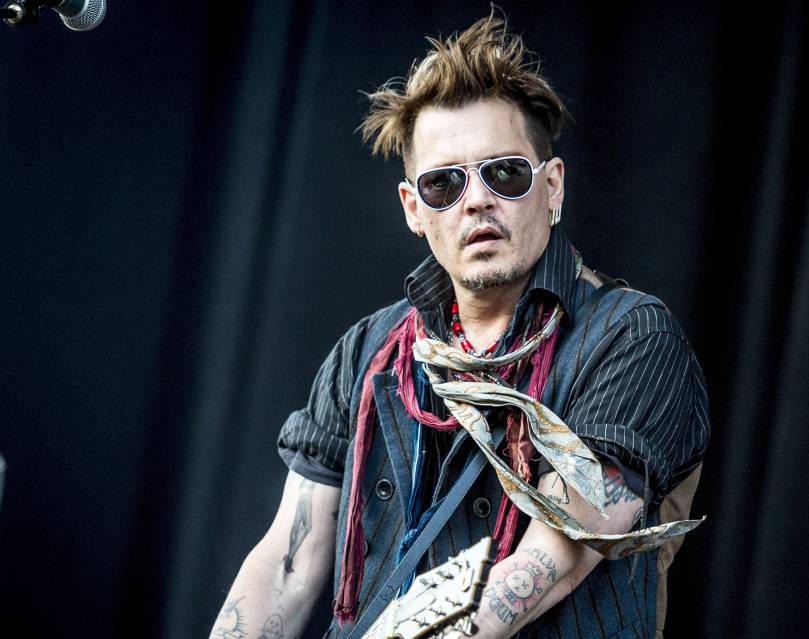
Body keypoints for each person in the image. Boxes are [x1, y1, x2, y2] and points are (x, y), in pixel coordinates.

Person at [210, 13, 709, 639]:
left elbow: (555, 557)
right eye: (444, 184)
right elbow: (288, 563)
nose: (476, 200)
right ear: (414, 210)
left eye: (505, 173)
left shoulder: (631, 338)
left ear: (553, 187)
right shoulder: (370, 351)